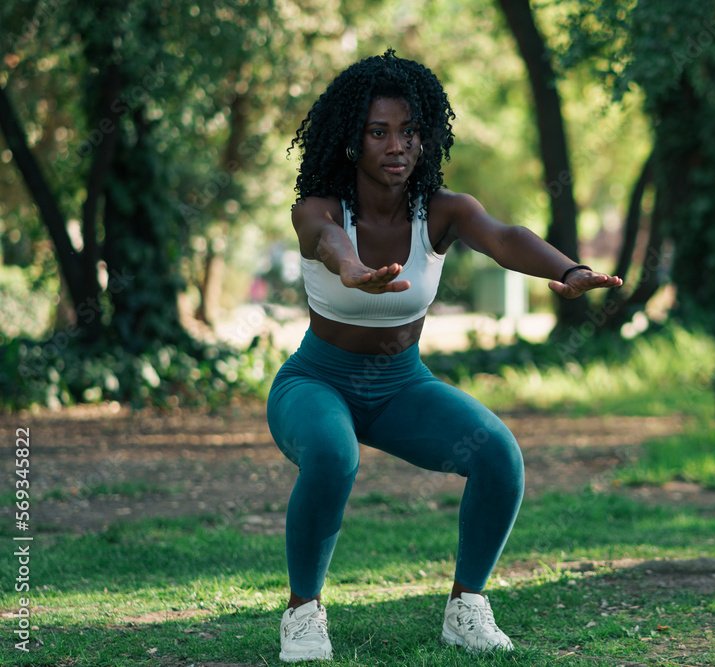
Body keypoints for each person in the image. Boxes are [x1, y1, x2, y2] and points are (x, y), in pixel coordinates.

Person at [266, 49, 623, 662]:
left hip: (402, 388)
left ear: (427, 138)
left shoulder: (444, 211)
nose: (396, 146)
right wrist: (352, 271)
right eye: (379, 132)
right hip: (316, 382)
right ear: (353, 139)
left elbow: (505, 239)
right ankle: (303, 613)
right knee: (331, 453)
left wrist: (570, 269)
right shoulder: (320, 208)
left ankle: (467, 608)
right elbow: (326, 244)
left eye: (409, 132)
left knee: (497, 455)